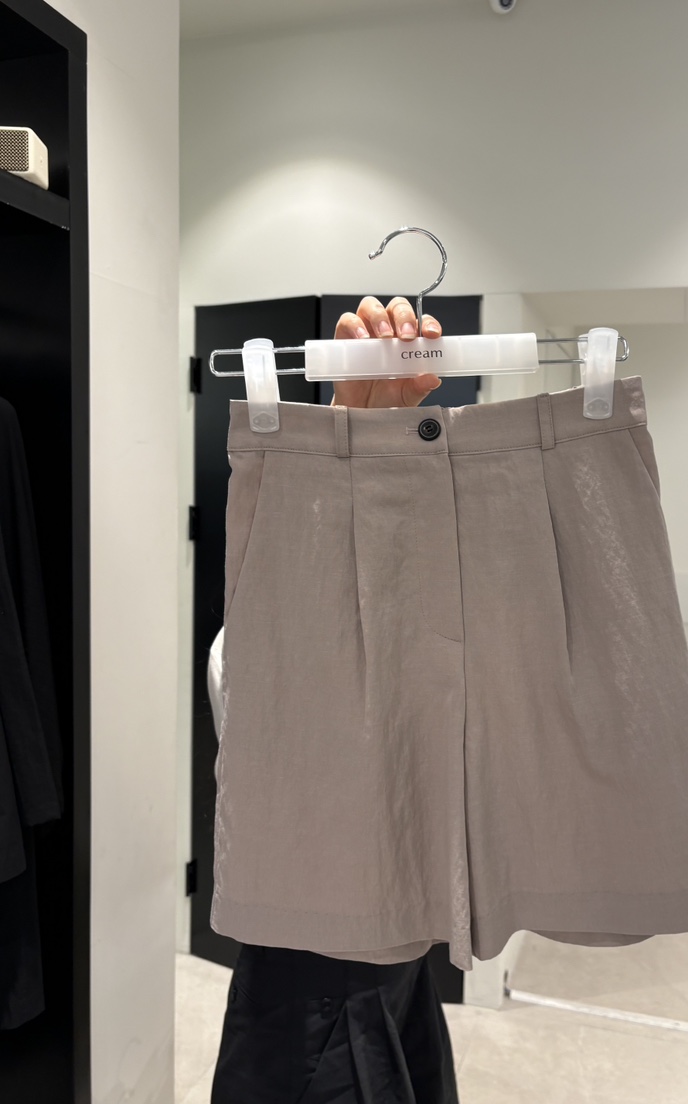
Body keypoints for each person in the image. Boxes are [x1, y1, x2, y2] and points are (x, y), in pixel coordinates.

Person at [210, 297, 460, 1104]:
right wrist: (348, 431)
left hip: (385, 956)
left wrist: (364, 428)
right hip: (314, 978)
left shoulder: (436, 611)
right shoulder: (273, 642)